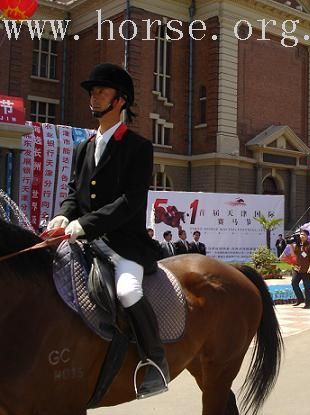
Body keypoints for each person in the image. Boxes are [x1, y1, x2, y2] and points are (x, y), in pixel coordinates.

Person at [47, 63, 168, 398]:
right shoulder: (82, 147)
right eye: (92, 90)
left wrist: (85, 224)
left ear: (120, 100)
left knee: (128, 290)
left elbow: (131, 202)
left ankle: (155, 360)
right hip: (83, 239)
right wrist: (62, 216)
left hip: (124, 244)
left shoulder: (138, 146)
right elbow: (75, 193)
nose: (93, 95)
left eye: (101, 90)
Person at [290, 229, 310, 308]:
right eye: (301, 234)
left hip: (306, 269)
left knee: (307, 287)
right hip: (297, 268)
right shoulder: (298, 245)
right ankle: (300, 299)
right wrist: (291, 245)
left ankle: (308, 303)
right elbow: (294, 254)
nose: (301, 236)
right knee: (294, 283)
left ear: (307, 236)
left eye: (303, 234)